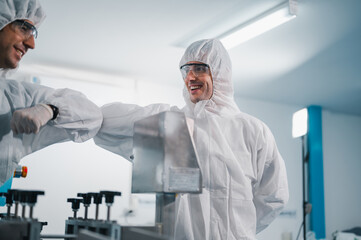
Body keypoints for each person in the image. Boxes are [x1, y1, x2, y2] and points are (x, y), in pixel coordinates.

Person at [94, 39, 289, 240]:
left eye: (199, 68)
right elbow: (111, 122)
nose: (189, 77)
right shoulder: (171, 125)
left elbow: (274, 196)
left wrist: (239, 229)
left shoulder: (253, 130)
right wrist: (63, 112)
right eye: (185, 70)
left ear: (220, 73)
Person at [0, 0, 103, 186]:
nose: (31, 44)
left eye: (33, 34)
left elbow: (92, 115)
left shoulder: (14, 98)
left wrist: (49, 110)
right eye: (24, 28)